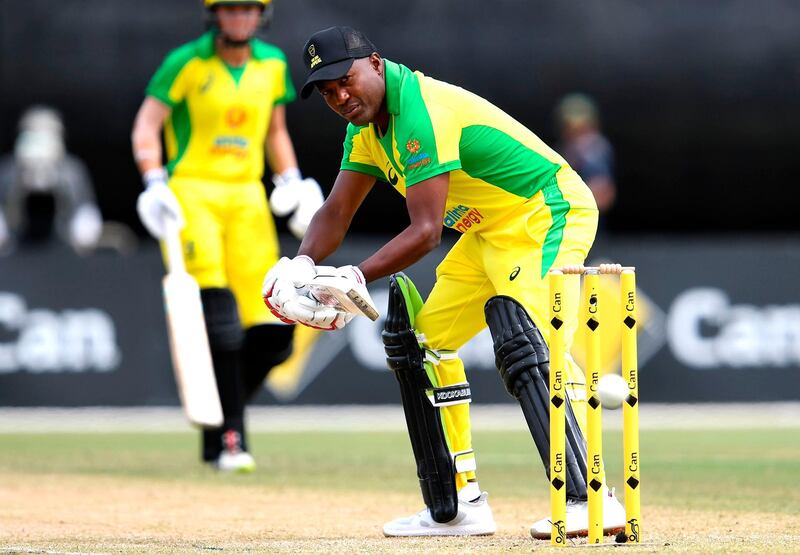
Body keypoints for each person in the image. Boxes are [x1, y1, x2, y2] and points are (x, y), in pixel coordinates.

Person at [263, 26, 630, 539]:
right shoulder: (365, 128)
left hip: (545, 211)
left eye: (345, 80)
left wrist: (352, 275)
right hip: (485, 228)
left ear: (375, 62)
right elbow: (337, 210)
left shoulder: (421, 111)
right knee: (424, 345)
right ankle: (461, 504)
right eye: (327, 92)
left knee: (530, 339)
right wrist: (302, 264)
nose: (341, 97)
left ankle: (591, 498)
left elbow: (426, 231)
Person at [131, 0, 323, 472]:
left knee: (277, 333)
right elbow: (147, 126)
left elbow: (274, 131)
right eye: (230, 9)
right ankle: (232, 441)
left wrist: (291, 179)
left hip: (248, 199)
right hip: (191, 195)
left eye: (248, 9)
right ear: (214, 15)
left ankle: (217, 424)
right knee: (221, 324)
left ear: (262, 15)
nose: (239, 18)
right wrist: (154, 180)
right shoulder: (186, 62)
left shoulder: (272, 64)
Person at [0, 106, 104, 255]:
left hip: (63, 243)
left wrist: (84, 235)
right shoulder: (8, 170)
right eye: (32, 134)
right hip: (17, 247)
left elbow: (84, 206)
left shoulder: (72, 171)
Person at [556, 93, 616, 234]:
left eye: (582, 127)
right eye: (571, 128)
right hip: (563, 231)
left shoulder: (596, 150)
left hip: (586, 232)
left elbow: (604, 195)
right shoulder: (562, 151)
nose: (577, 134)